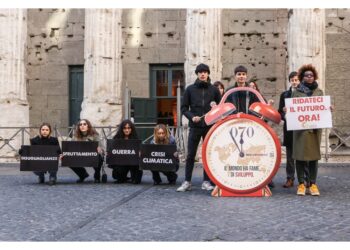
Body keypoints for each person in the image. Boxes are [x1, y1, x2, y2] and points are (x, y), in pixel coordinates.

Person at [177, 63, 221, 192]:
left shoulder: (214, 90)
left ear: (208, 74)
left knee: (208, 154)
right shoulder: (190, 89)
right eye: (200, 72)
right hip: (195, 126)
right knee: (190, 155)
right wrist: (192, 117)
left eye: (205, 72)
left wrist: (215, 110)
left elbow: (220, 107)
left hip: (209, 126)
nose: (202, 74)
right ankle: (187, 181)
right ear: (197, 74)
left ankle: (206, 182)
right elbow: (184, 108)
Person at [292, 64, 324, 196]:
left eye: (311, 75)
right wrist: (288, 110)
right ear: (302, 77)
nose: (309, 77)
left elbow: (322, 109)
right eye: (306, 75)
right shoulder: (296, 92)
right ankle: (301, 184)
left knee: (313, 157)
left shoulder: (319, 92)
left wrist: (328, 108)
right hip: (300, 131)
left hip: (314, 130)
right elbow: (294, 111)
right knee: (299, 157)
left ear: (314, 76)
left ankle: (312, 184)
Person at [278, 71, 310, 188]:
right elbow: (279, 112)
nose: (295, 82)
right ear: (290, 81)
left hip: (302, 129)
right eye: (293, 80)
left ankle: (307, 179)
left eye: (296, 80)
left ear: (299, 81)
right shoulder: (284, 95)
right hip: (289, 129)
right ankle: (290, 179)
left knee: (303, 155)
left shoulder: (306, 93)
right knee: (290, 156)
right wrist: (284, 113)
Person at [69, 119, 104, 183]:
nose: (82, 126)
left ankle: (97, 175)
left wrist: (100, 149)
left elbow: (101, 147)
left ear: (88, 126)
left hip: (92, 156)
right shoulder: (75, 136)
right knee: (68, 159)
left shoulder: (95, 135)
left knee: (99, 158)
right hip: (79, 156)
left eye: (84, 124)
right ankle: (83, 174)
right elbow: (71, 147)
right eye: (80, 124)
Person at [109, 119, 143, 184]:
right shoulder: (116, 138)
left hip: (133, 163)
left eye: (129, 128)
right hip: (121, 162)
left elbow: (140, 150)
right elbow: (112, 150)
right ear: (122, 129)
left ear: (131, 129)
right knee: (118, 177)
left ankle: (134, 178)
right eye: (124, 128)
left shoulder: (136, 138)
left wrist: (140, 152)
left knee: (136, 180)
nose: (127, 130)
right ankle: (122, 177)